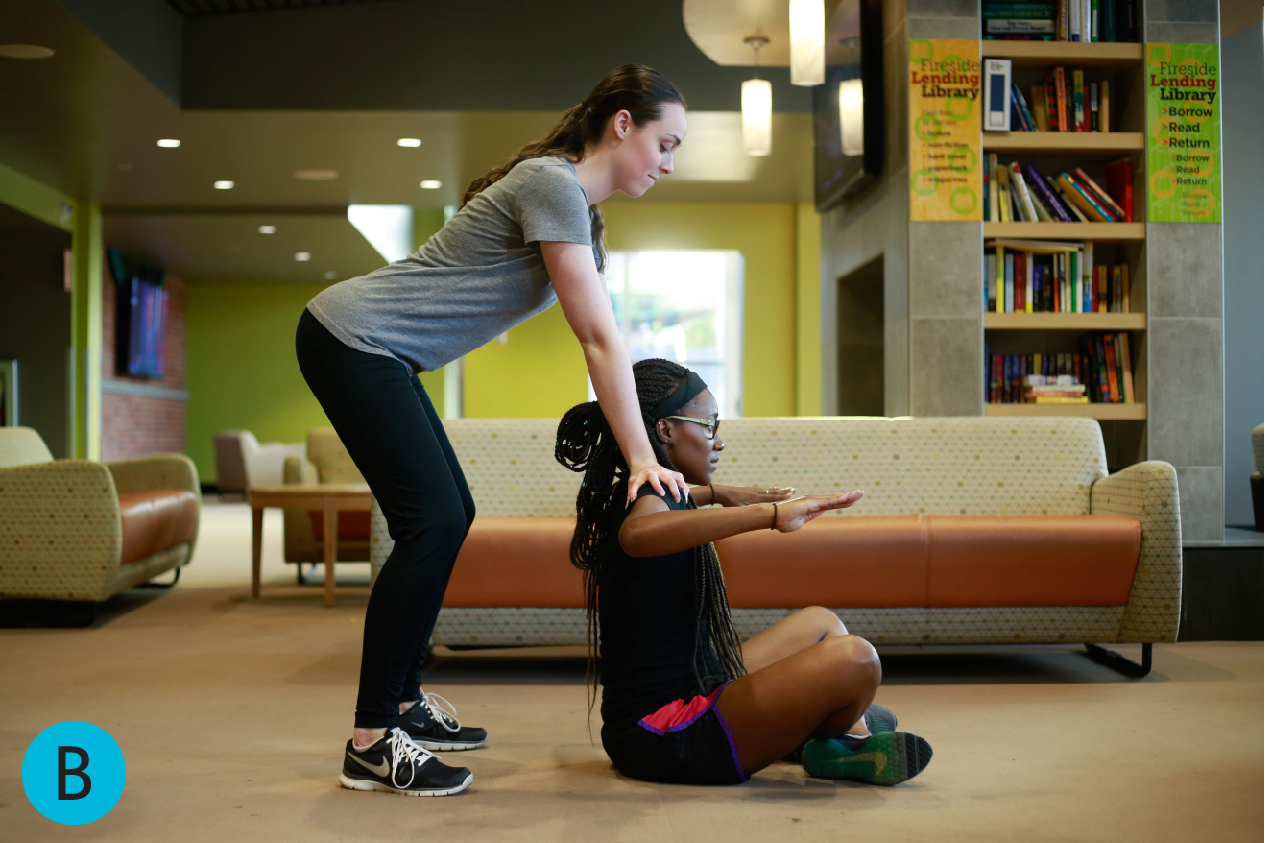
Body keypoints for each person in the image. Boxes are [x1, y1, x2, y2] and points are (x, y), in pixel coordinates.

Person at [295, 64, 692, 797]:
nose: (668, 164)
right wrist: (641, 456)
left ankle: (404, 705)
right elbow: (597, 339)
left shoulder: (579, 214)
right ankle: (372, 739)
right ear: (622, 124)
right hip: (352, 337)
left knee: (452, 514)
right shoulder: (551, 184)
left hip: (379, 353)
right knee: (434, 521)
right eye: (664, 144)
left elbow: (604, 336)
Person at [554, 358, 934, 786]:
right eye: (709, 426)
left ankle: (831, 737)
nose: (718, 441)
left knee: (821, 623)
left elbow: (675, 505)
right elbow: (638, 534)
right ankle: (838, 736)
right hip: (665, 732)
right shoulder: (646, 503)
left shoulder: (643, 490)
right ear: (665, 431)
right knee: (857, 659)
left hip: (697, 686)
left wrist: (719, 493)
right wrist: (769, 514)